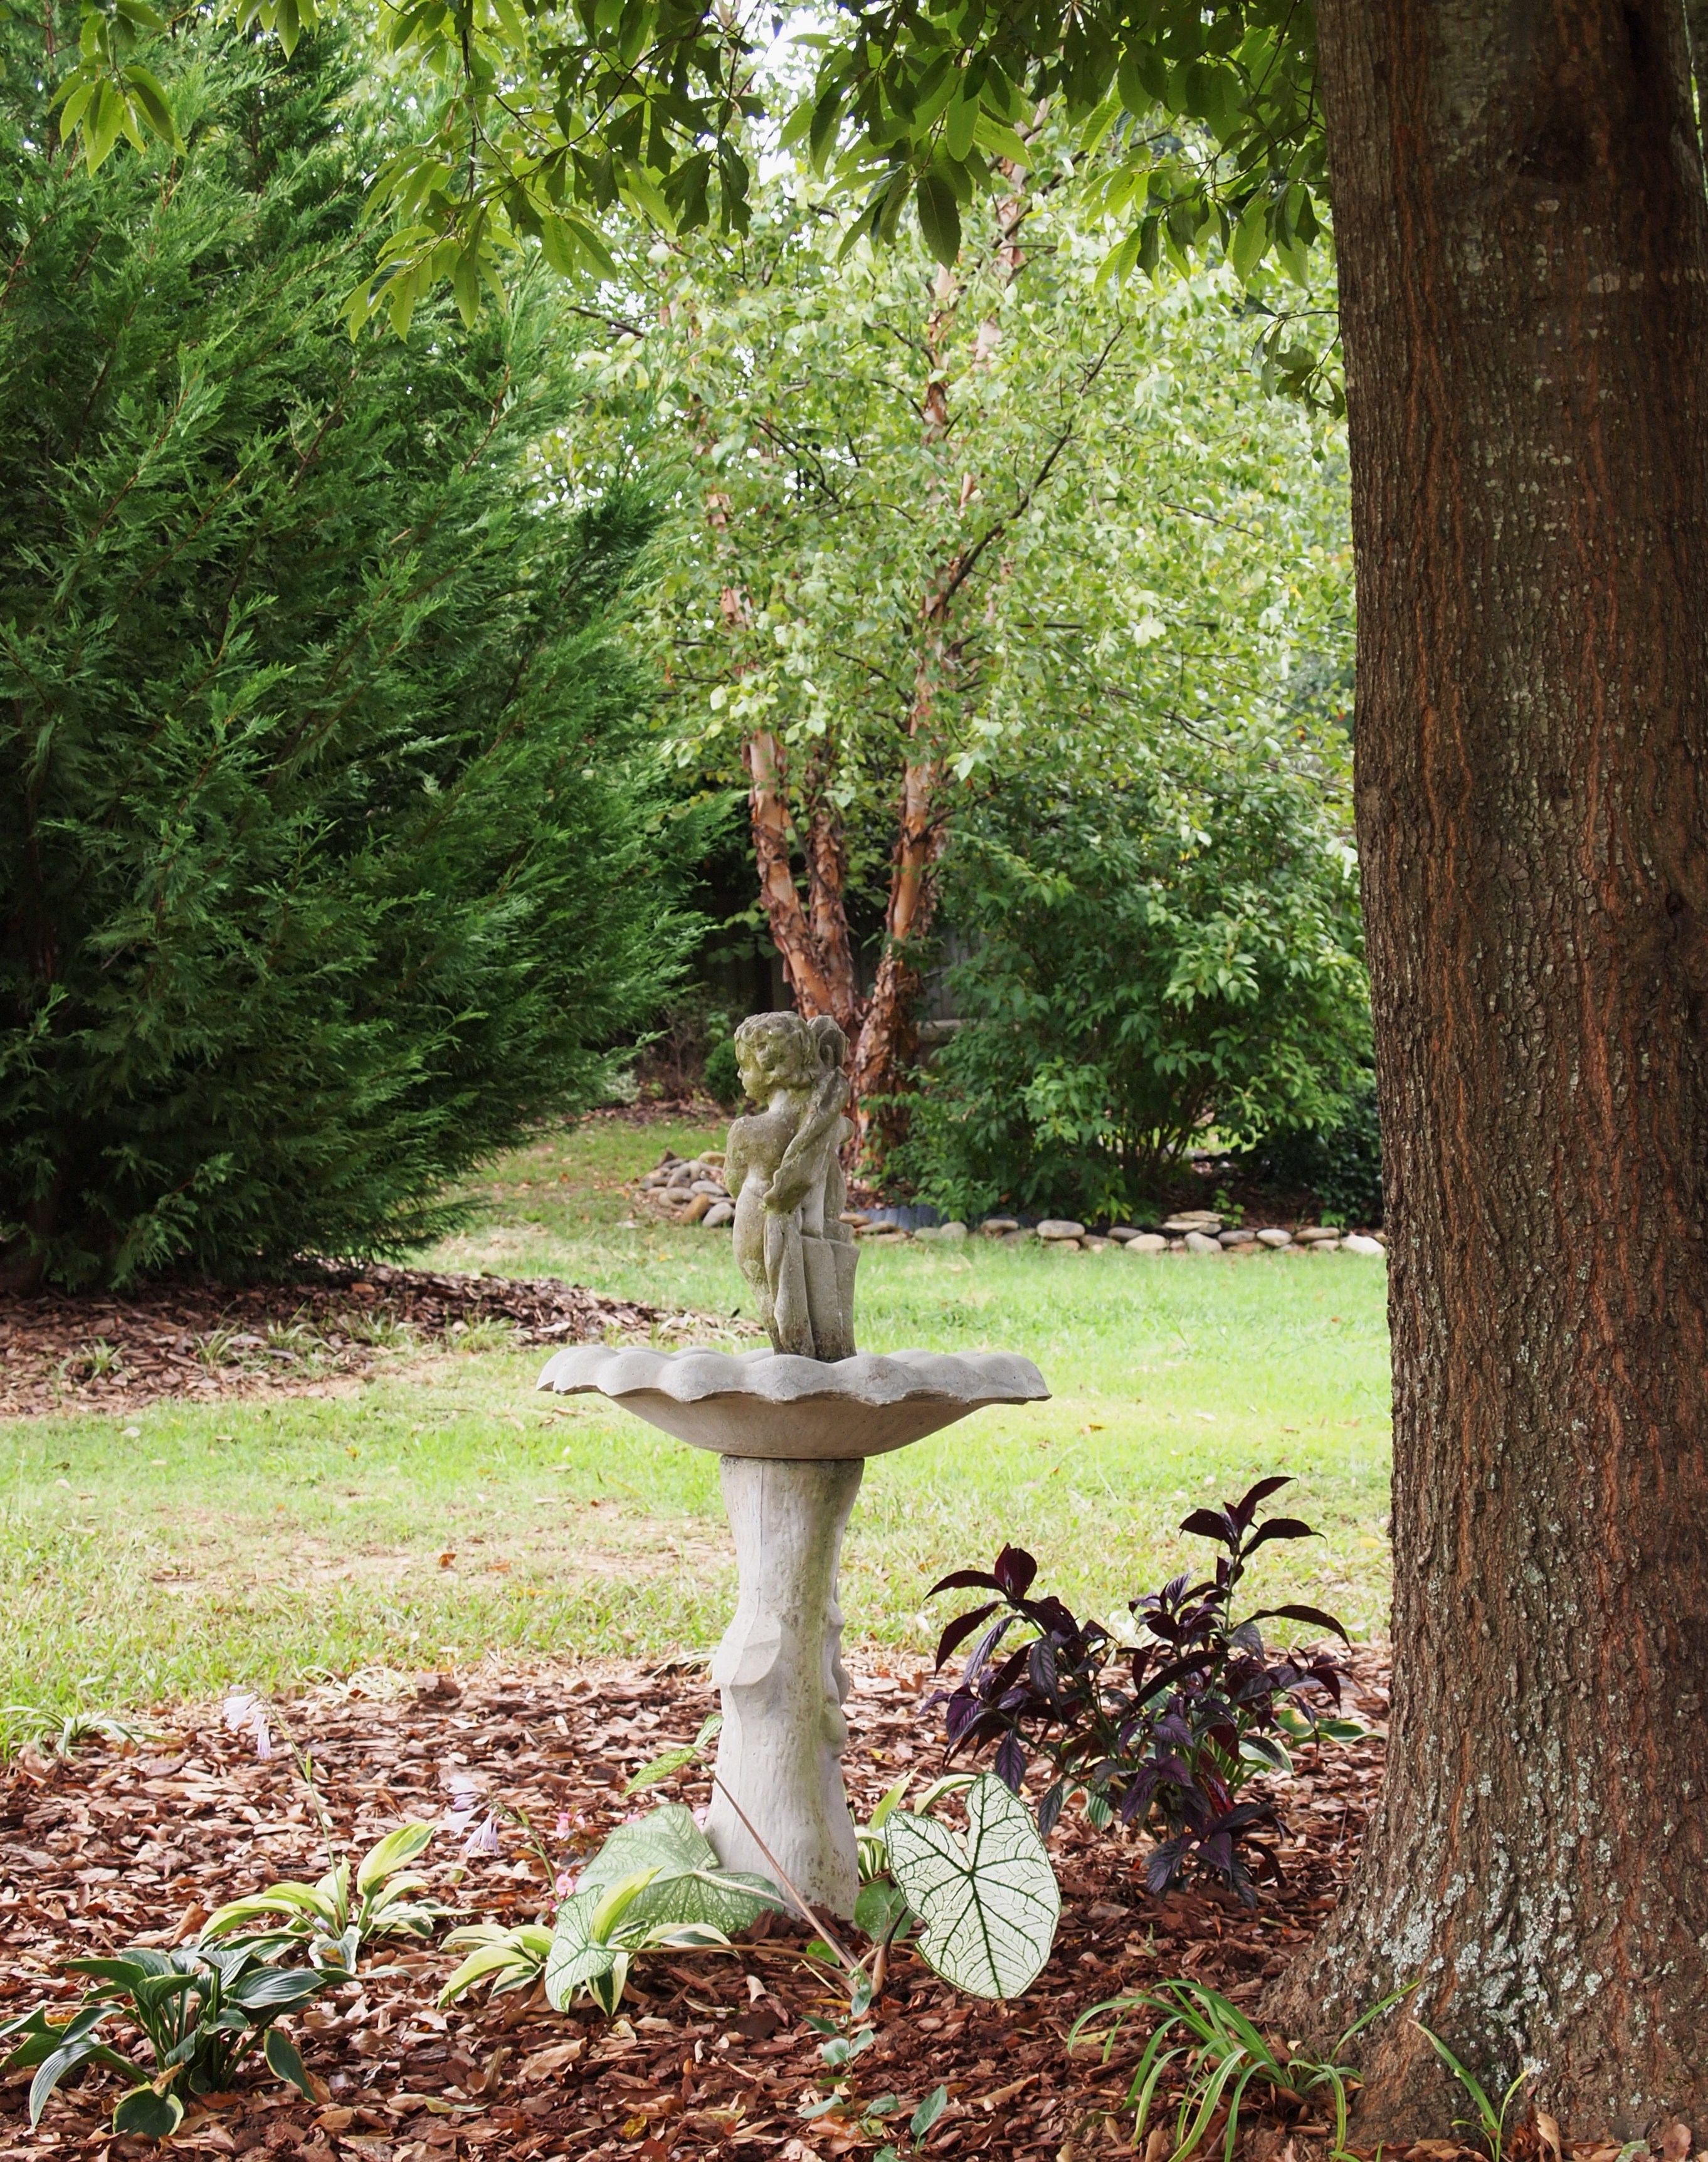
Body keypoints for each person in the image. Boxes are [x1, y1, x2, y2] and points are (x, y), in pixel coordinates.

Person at [726, 1013, 858, 1359]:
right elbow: (845, 1130)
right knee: (808, 1295)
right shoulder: (820, 1123)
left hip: (755, 1218)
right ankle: (815, 1357)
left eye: (744, 1066)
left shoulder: (747, 1130)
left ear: (770, 1069)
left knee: (768, 1295)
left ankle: (786, 1359)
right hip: (804, 1226)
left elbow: (733, 1182)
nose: (740, 1075)